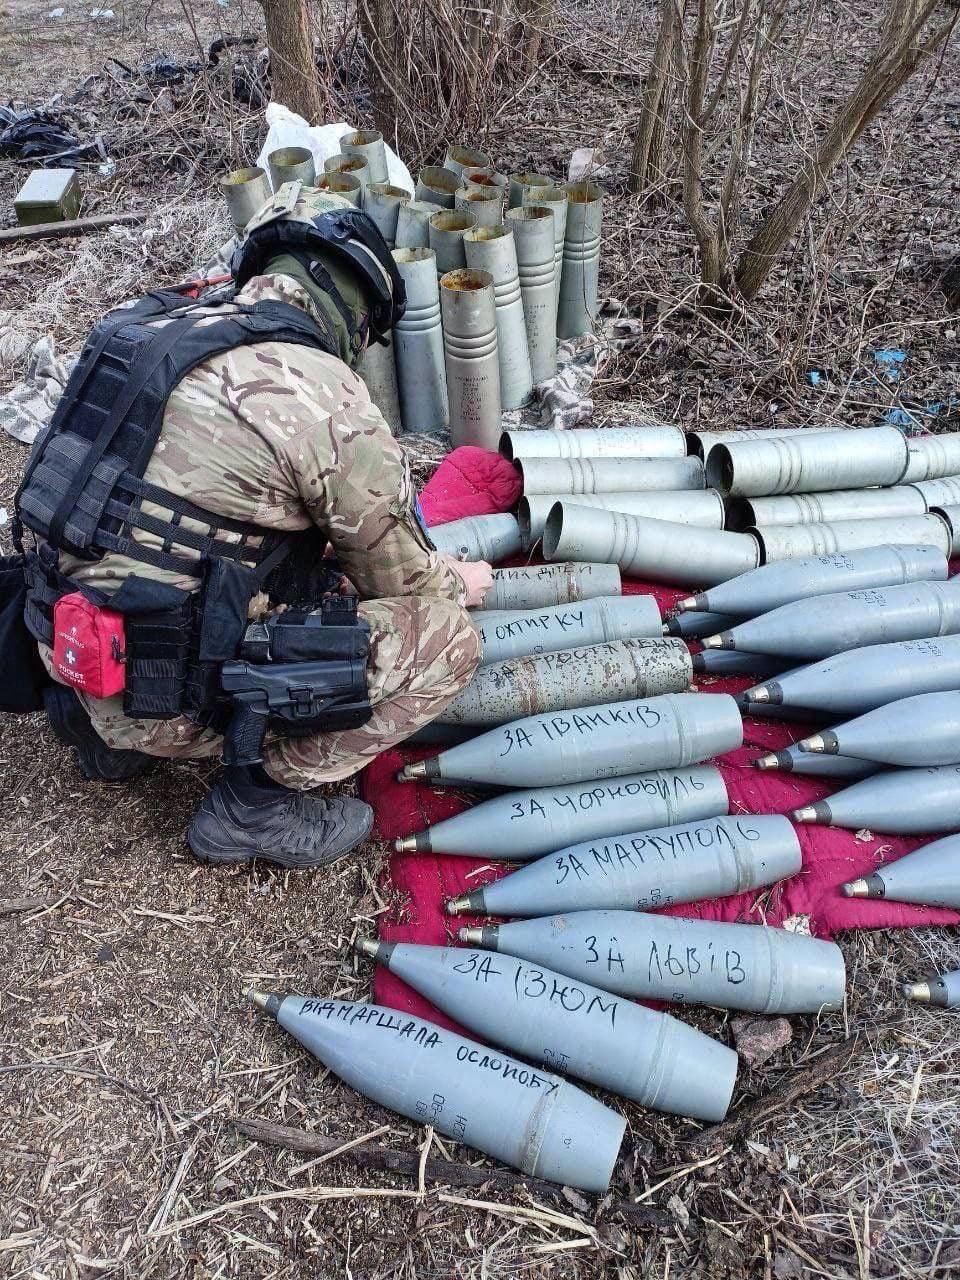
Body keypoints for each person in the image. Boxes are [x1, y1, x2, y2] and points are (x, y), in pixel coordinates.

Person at [13, 185, 490, 868]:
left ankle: (95, 731)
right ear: (355, 312)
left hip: (64, 646)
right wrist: (457, 582)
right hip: (166, 692)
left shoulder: (143, 328)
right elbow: (404, 580)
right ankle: (254, 806)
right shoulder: (324, 397)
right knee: (448, 641)